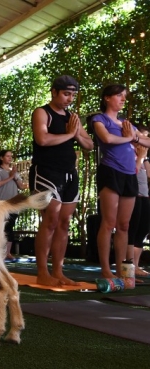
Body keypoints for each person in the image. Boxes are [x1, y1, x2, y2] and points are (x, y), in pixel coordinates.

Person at [30, 75, 93, 287]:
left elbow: (89, 144)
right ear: (54, 92)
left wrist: (75, 133)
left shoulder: (71, 118)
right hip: (47, 172)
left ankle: (58, 271)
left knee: (64, 222)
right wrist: (70, 135)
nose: (69, 99)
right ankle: (42, 272)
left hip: (69, 174)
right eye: (66, 94)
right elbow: (43, 139)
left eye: (73, 95)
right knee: (50, 220)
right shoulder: (42, 112)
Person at [91, 84, 150, 279]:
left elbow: (146, 142)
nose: (123, 99)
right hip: (110, 172)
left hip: (129, 175)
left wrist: (132, 136)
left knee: (124, 225)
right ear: (107, 98)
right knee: (108, 223)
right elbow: (106, 138)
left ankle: (122, 269)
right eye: (119, 95)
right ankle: (106, 269)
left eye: (124, 96)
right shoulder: (99, 119)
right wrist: (129, 138)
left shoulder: (128, 125)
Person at [0, 150, 27, 260]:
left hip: (13, 204)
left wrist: (15, 176)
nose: (9, 158)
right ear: (1, 157)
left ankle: (7, 253)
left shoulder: (14, 172)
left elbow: (21, 187)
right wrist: (10, 177)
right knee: (0, 228)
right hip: (1, 203)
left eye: (11, 156)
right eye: (7, 156)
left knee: (10, 228)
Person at [128, 128, 150, 277]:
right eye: (142, 137)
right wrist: (140, 158)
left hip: (144, 196)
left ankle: (136, 265)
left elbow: (148, 175)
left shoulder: (144, 157)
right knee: (132, 229)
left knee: (143, 229)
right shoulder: (128, 153)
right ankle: (128, 266)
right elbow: (132, 172)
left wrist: (144, 158)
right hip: (133, 195)